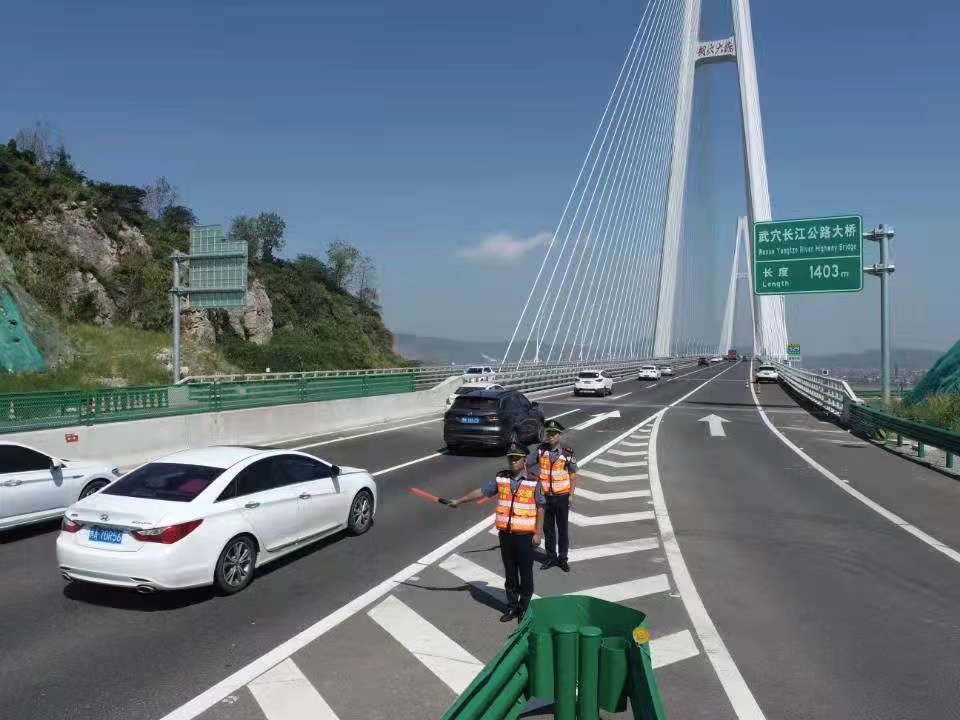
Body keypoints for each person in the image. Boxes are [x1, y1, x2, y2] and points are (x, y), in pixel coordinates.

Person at [447, 443, 544, 622]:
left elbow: (540, 508)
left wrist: (538, 533)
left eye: (516, 458)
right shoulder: (502, 478)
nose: (512, 461)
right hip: (506, 535)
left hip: (525, 536)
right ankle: (512, 606)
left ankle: (524, 607)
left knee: (526, 574)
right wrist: (459, 501)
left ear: (524, 460)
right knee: (510, 573)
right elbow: (482, 491)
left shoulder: (534, 481)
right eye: (510, 458)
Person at [533, 419, 577, 572]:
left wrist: (571, 495)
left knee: (563, 529)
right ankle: (551, 558)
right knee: (548, 529)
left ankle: (563, 559)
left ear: (559, 436)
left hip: (562, 497)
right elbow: (526, 463)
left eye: (554, 434)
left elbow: (572, 475)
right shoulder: (541, 451)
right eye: (549, 434)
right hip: (546, 497)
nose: (550, 436)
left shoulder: (567, 454)